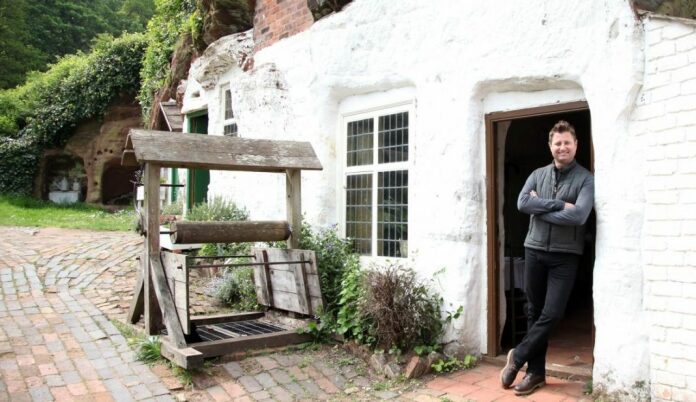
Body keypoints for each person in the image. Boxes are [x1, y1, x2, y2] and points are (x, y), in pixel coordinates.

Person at [500, 120, 595, 396]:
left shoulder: (586, 179)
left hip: (565, 256)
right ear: (550, 146)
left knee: (552, 314)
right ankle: (535, 372)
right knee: (533, 310)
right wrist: (556, 205)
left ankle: (518, 356)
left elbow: (579, 215)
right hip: (535, 250)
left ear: (575, 145)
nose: (562, 147)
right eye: (557, 143)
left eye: (567, 142)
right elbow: (521, 203)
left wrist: (538, 207)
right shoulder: (537, 174)